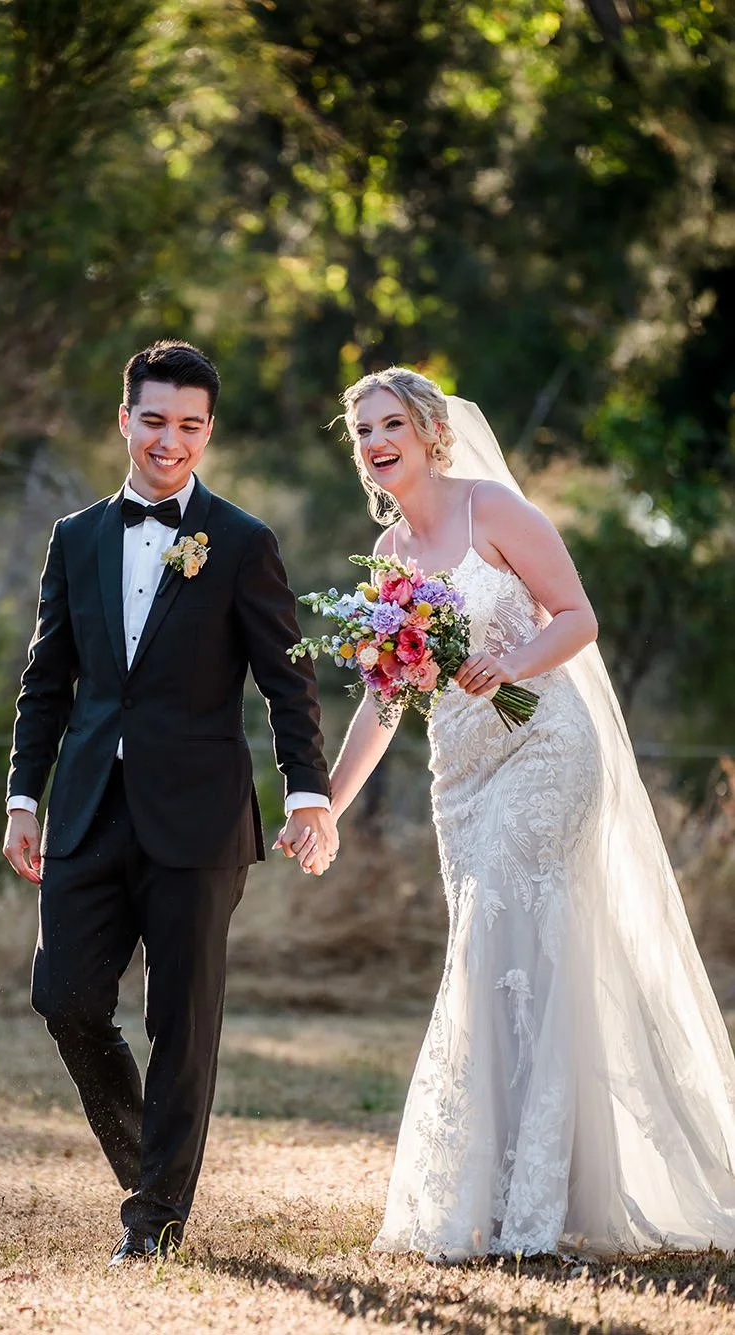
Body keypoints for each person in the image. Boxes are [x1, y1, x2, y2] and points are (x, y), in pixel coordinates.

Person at [322, 365, 735, 1258]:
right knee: (495, 960)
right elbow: (383, 703)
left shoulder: (495, 512)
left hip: (547, 745)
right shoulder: (391, 557)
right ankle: (506, 1187)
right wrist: (327, 805)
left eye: (389, 423)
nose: (374, 441)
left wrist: (510, 667)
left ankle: (536, 1206)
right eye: (362, 431)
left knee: (508, 945)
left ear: (431, 431)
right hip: (461, 774)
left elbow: (576, 616)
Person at [2, 340, 337, 1266]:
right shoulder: (73, 537)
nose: (170, 440)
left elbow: (286, 684)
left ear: (208, 432)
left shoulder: (241, 542)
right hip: (85, 810)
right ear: (125, 421)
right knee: (64, 996)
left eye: (190, 425)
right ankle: (153, 1164)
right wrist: (22, 797)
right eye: (154, 420)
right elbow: (47, 682)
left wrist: (308, 794)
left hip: (199, 819)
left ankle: (154, 1219)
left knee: (183, 1023)